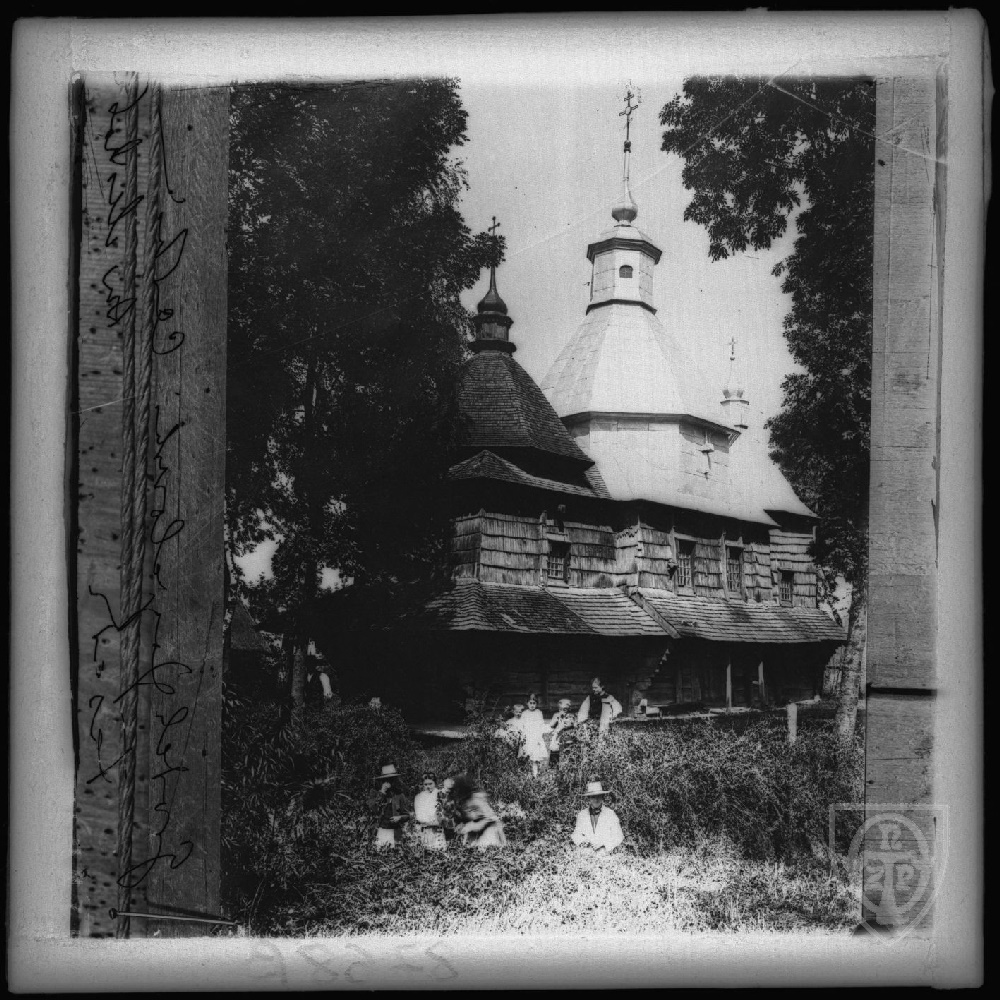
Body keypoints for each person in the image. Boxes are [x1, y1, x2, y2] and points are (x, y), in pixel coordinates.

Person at [447, 773, 506, 849]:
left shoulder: (476, 798)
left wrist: (473, 826)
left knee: (483, 846)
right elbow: (465, 819)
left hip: (490, 828)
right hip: (475, 832)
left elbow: (491, 819)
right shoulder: (462, 803)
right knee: (467, 847)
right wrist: (462, 825)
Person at [570, 780, 624, 854]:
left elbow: (619, 836)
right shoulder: (582, 815)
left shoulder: (611, 814)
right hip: (586, 853)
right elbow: (576, 834)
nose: (596, 800)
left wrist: (604, 844)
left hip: (605, 854)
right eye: (593, 797)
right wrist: (584, 842)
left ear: (602, 797)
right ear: (589, 798)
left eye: (598, 796)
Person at [367, 764, 411, 848]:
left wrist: (399, 818)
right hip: (379, 831)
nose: (388, 783)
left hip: (395, 832)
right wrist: (382, 793)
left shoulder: (399, 795)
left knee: (394, 852)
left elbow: (407, 815)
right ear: (382, 781)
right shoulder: (375, 794)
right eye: (385, 781)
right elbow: (373, 810)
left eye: (391, 780)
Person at [413, 771, 448, 850]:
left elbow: (443, 815)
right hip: (424, 831)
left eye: (430, 784)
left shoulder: (440, 795)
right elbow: (419, 816)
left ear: (435, 783)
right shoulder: (419, 797)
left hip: (437, 830)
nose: (428, 786)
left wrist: (437, 820)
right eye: (425, 784)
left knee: (439, 851)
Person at [520, 693, 550, 776]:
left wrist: (539, 736)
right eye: (530, 703)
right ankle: (527, 773)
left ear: (536, 704)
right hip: (528, 736)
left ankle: (535, 774)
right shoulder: (524, 713)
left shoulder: (538, 712)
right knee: (527, 755)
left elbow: (541, 724)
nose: (532, 705)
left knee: (535, 756)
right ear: (527, 703)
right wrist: (523, 736)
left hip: (536, 736)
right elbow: (522, 725)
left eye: (534, 703)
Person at [548, 698, 576, 767]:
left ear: (569, 709)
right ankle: (554, 767)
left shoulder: (571, 716)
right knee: (554, 751)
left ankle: (568, 766)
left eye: (565, 709)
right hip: (557, 737)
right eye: (560, 709)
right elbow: (551, 725)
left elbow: (572, 724)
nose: (562, 711)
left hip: (567, 737)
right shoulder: (556, 715)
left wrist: (568, 723)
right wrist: (556, 719)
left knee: (567, 751)